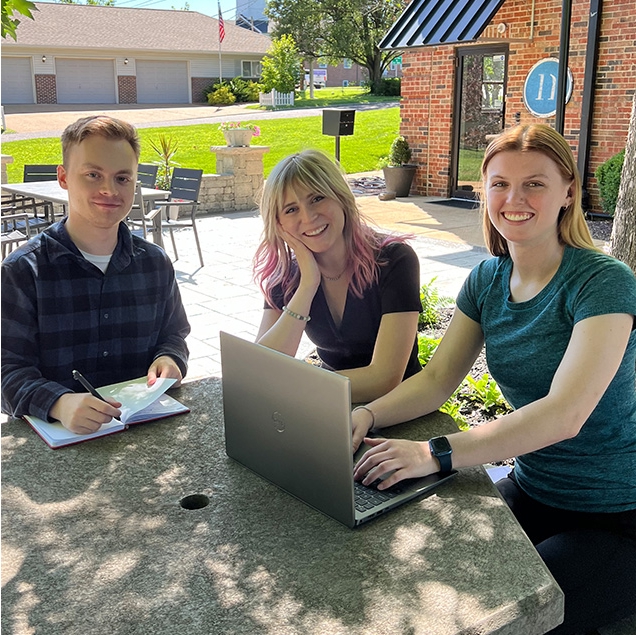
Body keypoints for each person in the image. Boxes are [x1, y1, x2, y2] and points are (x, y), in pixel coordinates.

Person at [352, 124, 636, 634]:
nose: (514, 198)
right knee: (421, 575)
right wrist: (366, 414)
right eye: (500, 183)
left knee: (509, 621)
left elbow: (565, 414)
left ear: (568, 191)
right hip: (533, 489)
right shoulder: (487, 279)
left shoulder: (603, 282)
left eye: (535, 183)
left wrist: (433, 452)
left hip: (617, 514)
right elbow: (437, 379)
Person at [1, 115, 190, 435]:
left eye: (122, 178)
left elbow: (173, 335)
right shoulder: (22, 272)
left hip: (144, 434)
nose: (108, 189)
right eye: (92, 174)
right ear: (63, 178)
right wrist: (58, 403)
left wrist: (170, 359)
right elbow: (6, 372)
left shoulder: (155, 263)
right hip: (56, 444)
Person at [253, 149, 422, 402]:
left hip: (399, 409)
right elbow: (262, 367)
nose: (308, 217)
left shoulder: (393, 260)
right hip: (330, 405)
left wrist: (301, 388)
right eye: (291, 210)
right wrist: (308, 284)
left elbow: (384, 378)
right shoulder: (286, 276)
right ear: (278, 225)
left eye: (317, 198)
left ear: (341, 198)